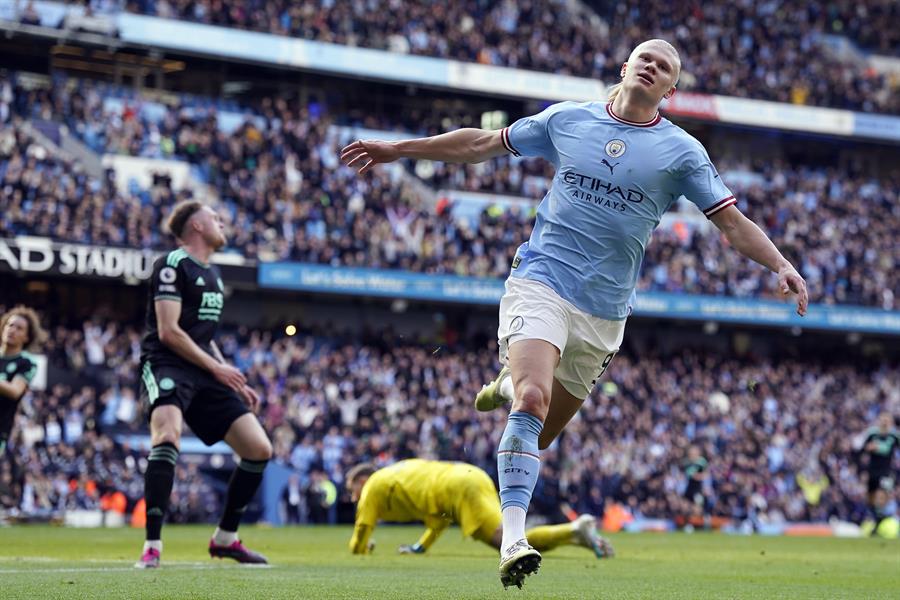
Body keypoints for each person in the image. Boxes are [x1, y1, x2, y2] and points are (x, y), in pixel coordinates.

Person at [340, 38, 809, 588]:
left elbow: (730, 222)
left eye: (664, 67)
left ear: (670, 90)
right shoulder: (568, 120)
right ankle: (513, 539)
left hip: (604, 312)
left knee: (538, 433)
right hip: (541, 279)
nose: (651, 66)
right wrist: (402, 149)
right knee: (534, 398)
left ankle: (506, 386)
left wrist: (779, 264)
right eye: (645, 58)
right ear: (626, 67)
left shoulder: (682, 153)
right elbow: (482, 144)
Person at [134, 201, 273, 568]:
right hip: (166, 363)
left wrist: (229, 374)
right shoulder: (171, 264)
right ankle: (152, 545)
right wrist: (217, 368)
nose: (222, 222)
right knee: (167, 436)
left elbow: (203, 336)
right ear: (196, 225)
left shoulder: (214, 275)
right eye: (215, 217)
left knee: (259, 448)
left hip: (204, 370)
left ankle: (225, 539)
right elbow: (168, 331)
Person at [346, 460, 613, 562]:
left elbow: (362, 528)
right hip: (469, 476)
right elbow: (439, 519)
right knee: (511, 535)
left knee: (508, 543)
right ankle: (577, 536)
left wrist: (358, 549)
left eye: (352, 489)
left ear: (361, 481)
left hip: (458, 488)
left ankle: (574, 529)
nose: (353, 496)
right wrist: (421, 547)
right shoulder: (398, 473)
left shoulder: (372, 485)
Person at [0, 306, 45, 455]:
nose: (12, 330)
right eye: (10, 325)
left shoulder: (26, 362)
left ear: (27, 337)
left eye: (19, 328)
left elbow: (14, 391)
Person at [858, 413, 899, 532]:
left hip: (886, 471)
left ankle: (882, 519)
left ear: (890, 422)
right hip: (872, 470)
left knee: (882, 494)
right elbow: (861, 450)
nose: (885, 422)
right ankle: (877, 519)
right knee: (870, 497)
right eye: (883, 420)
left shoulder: (894, 436)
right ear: (879, 421)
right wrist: (867, 448)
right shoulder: (872, 434)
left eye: (887, 420)